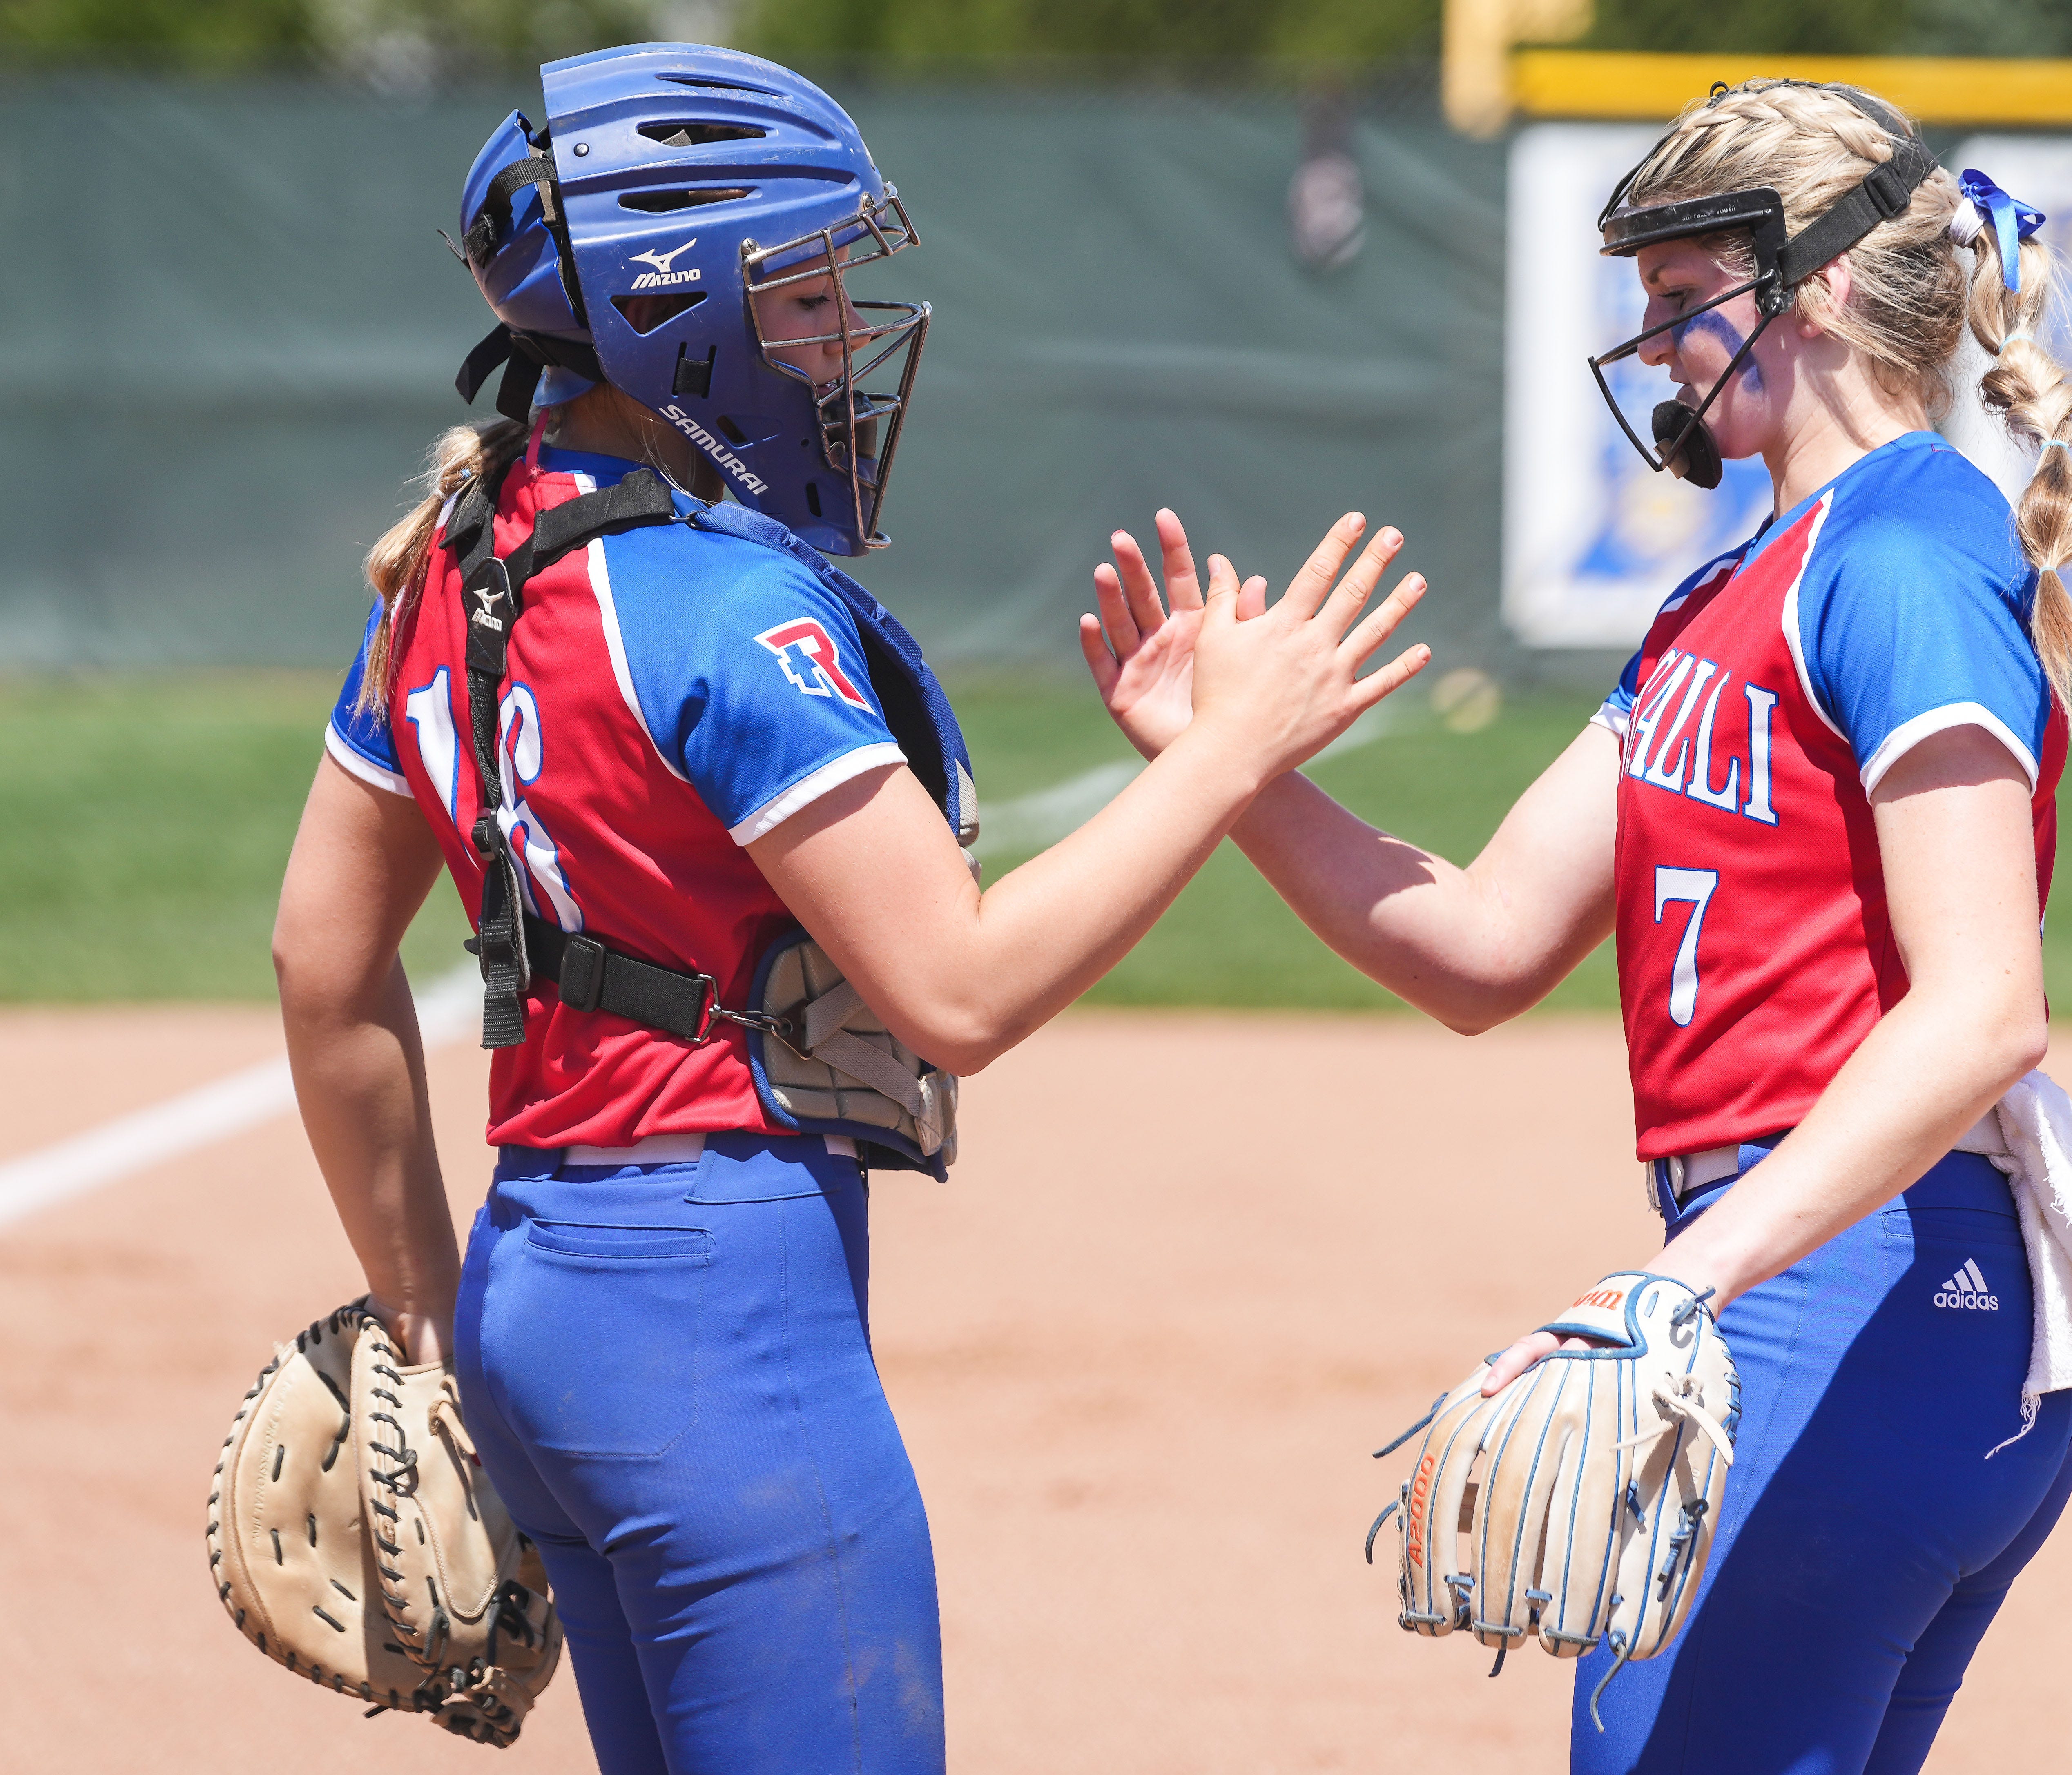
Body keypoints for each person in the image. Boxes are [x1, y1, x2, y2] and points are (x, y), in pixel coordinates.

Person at [270, 43, 1424, 1775]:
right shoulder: (723, 607)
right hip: (721, 1338)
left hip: (534, 1298)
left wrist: (425, 1315)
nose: (837, 337)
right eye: (802, 294)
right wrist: (1228, 754)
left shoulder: (449, 559)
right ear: (675, 315)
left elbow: (320, 962)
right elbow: (959, 988)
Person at [1082, 78, 2072, 1775]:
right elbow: (1484, 941)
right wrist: (1226, 772)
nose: (1651, 348)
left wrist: (1679, 1283)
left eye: (1680, 295)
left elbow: (1985, 1004)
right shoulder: (1730, 591)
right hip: (1828, 1294)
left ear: (1816, 288)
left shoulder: (1901, 554)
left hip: (1841, 1296)